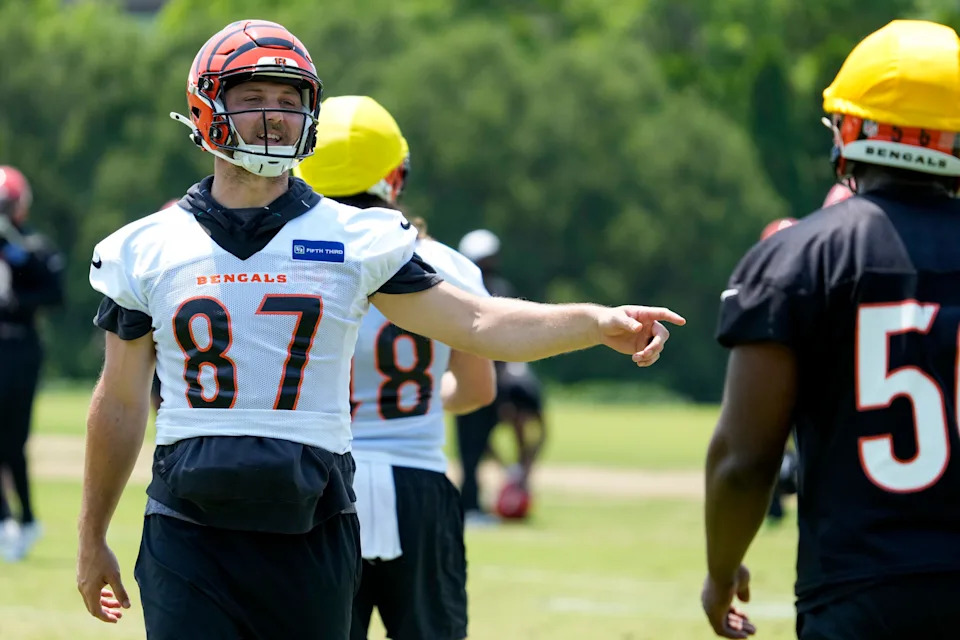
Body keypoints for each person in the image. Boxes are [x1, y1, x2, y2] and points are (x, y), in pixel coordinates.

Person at [75, 19, 685, 639]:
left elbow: (476, 320)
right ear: (206, 105)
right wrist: (91, 536)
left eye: (290, 100)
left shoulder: (355, 237)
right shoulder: (146, 246)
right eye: (253, 96)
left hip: (311, 520)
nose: (274, 116)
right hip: (188, 524)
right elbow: (121, 401)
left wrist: (594, 321)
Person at [701, 20, 960, 639]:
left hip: (859, 591)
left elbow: (745, 458)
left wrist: (720, 569)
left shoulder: (801, 255)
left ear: (850, 129)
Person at [297, 94, 496, 640]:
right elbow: (477, 389)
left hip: (318, 482)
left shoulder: (290, 264)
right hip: (419, 481)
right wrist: (425, 392)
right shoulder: (450, 265)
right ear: (394, 176)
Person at [454, 229, 547, 524]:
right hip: (474, 377)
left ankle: (477, 501)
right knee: (471, 449)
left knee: (475, 445)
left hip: (493, 380)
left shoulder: (475, 288)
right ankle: (470, 505)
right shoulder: (465, 290)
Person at [0, 165, 64, 562]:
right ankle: (9, 517)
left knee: (12, 441)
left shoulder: (33, 246)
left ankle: (22, 519)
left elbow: (53, 293)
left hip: (19, 349)